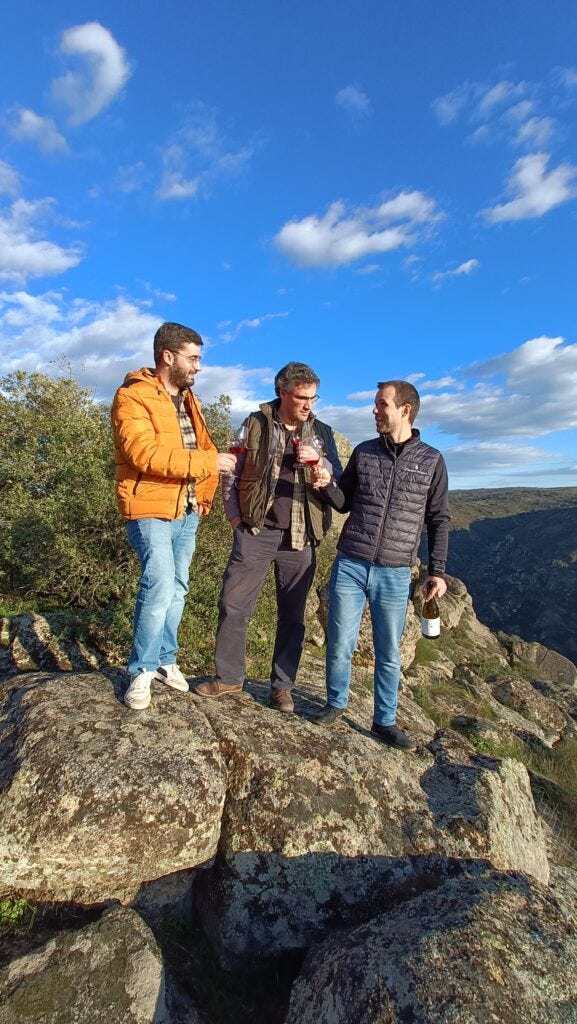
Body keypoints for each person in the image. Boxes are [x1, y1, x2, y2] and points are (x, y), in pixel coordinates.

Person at [193, 361, 342, 713]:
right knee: (233, 606)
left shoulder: (322, 432)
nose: (309, 405)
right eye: (302, 397)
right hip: (255, 531)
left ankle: (282, 687)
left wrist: (321, 466)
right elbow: (231, 468)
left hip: (301, 536)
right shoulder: (255, 424)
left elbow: (334, 482)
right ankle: (229, 678)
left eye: (313, 397)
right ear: (282, 392)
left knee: (292, 615)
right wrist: (234, 518)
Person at [313, 379, 449, 749]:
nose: (375, 410)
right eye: (375, 404)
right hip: (351, 563)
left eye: (381, 404)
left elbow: (438, 519)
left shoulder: (432, 460)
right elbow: (344, 503)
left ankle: (384, 721)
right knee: (340, 642)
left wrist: (436, 570)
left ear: (404, 409)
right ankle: (335, 703)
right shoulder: (364, 452)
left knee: (388, 652)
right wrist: (325, 484)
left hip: (395, 570)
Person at [111, 321, 236, 711]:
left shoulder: (187, 399)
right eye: (193, 358)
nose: (198, 366)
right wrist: (209, 463)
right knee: (160, 584)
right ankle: (142, 669)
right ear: (168, 356)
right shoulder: (132, 396)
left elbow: (206, 447)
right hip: (149, 506)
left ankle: (166, 659)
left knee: (179, 587)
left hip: (187, 507)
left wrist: (208, 493)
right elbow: (142, 454)